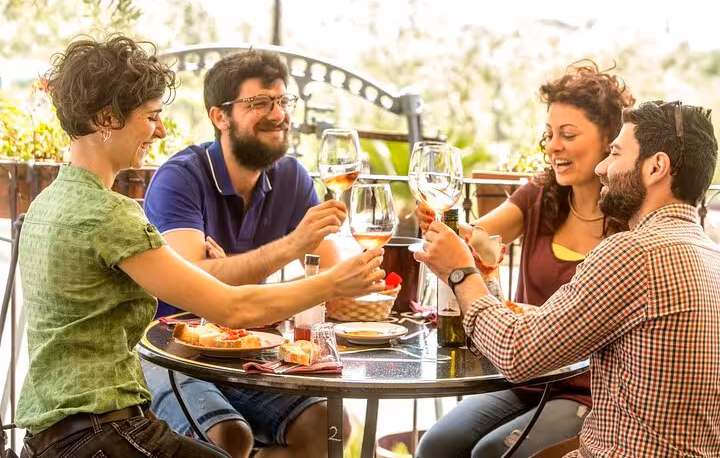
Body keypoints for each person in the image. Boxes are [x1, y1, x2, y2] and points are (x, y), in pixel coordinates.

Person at [15, 35, 385, 458]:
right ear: (106, 118)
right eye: (151, 116)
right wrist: (332, 283)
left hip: (55, 436)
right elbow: (231, 309)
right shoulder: (108, 213)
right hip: (104, 434)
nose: (160, 130)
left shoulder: (49, 202)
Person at [416, 100, 720, 457]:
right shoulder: (711, 255)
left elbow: (516, 354)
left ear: (656, 167)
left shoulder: (633, 252)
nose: (603, 168)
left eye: (616, 154)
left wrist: (461, 273)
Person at [415, 62, 634, 458]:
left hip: (588, 392)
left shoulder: (630, 221)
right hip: (524, 376)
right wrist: (448, 227)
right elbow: (477, 234)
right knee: (437, 444)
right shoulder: (539, 196)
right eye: (549, 135)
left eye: (568, 135)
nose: (553, 146)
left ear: (608, 140)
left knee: (492, 452)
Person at [140, 49, 351, 458]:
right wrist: (290, 249)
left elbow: (334, 281)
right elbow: (191, 284)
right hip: (173, 348)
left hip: (250, 349)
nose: (278, 114)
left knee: (328, 425)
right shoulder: (180, 177)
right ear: (220, 116)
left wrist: (233, 274)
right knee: (229, 437)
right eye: (259, 103)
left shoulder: (291, 177)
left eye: (283, 101)